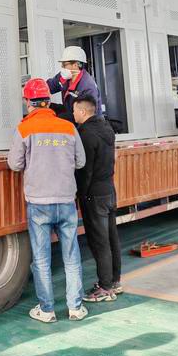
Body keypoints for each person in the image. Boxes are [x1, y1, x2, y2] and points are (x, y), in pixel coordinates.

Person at [7, 78, 88, 323]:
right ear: (48, 102)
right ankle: (75, 308)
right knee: (71, 256)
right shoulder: (68, 127)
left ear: (28, 103)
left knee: (41, 259)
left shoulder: (25, 129)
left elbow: (14, 164)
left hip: (39, 203)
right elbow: (81, 162)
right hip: (66, 200)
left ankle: (47, 310)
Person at [74, 93, 122, 303]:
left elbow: (85, 170)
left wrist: (80, 194)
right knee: (112, 238)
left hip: (94, 194)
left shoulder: (85, 134)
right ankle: (114, 281)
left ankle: (104, 287)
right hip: (109, 189)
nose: (73, 114)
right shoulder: (107, 129)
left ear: (83, 111)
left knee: (99, 241)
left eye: (75, 110)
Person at [46, 45, 103, 119]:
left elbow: (84, 117)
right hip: (71, 112)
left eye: (64, 64)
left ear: (75, 65)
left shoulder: (87, 87)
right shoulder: (65, 76)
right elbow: (49, 87)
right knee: (50, 107)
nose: (62, 67)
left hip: (86, 122)